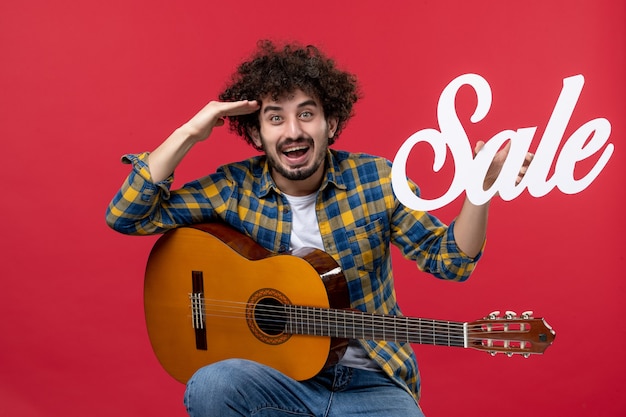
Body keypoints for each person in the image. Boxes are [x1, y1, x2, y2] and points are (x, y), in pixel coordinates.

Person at [106, 40, 532, 417]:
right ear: (256, 134)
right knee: (212, 385)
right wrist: (189, 133)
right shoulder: (233, 188)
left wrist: (481, 187)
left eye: (306, 114)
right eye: (275, 118)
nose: (293, 132)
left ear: (330, 124)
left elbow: (451, 263)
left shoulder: (377, 180)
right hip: (277, 380)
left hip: (373, 385)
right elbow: (127, 215)